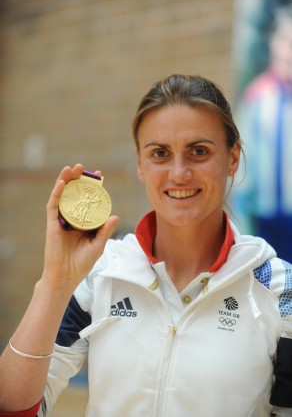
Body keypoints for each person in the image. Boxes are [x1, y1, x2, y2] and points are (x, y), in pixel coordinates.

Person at [0, 74, 291, 416]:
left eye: (199, 151)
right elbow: (12, 408)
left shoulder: (280, 290)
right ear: (140, 163)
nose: (179, 173)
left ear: (232, 158)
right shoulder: (101, 276)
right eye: (160, 153)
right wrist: (54, 282)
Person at [232, 4, 292, 262]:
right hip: (264, 221)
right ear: (274, 43)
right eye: (286, 40)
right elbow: (241, 164)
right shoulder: (256, 97)